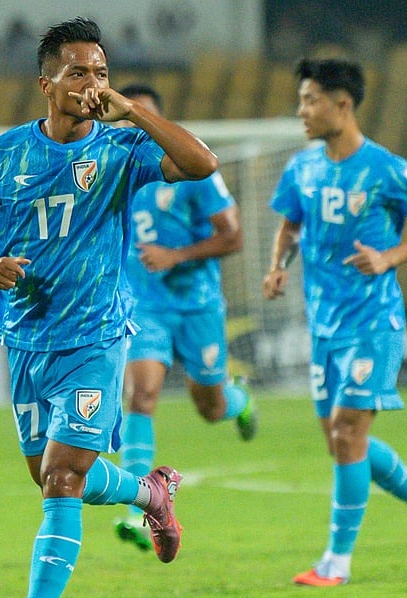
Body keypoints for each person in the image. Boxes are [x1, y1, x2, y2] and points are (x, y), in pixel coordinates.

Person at [0, 17, 217, 598]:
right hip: (26, 340)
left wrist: (130, 110)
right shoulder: (2, 155)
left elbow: (201, 163)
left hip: (95, 337)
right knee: (51, 475)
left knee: (62, 478)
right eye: (78, 72)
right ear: (47, 83)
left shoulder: (121, 151)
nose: (91, 83)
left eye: (100, 72)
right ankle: (152, 494)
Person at [261, 58, 407, 586]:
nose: (301, 111)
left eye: (310, 100)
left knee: (348, 434)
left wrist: (390, 258)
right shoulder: (302, 168)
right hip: (324, 328)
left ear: (342, 105)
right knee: (343, 442)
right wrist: (279, 267)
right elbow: (289, 225)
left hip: (374, 322)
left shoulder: (388, 169)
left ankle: (336, 562)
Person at [109, 83, 258, 552]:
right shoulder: (119, 169)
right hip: (145, 305)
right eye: (128, 116)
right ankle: (139, 510)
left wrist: (176, 255)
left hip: (197, 304)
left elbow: (232, 237)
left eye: (144, 116)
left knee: (210, 407)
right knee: (142, 394)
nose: (137, 124)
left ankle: (240, 400)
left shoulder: (193, 170)